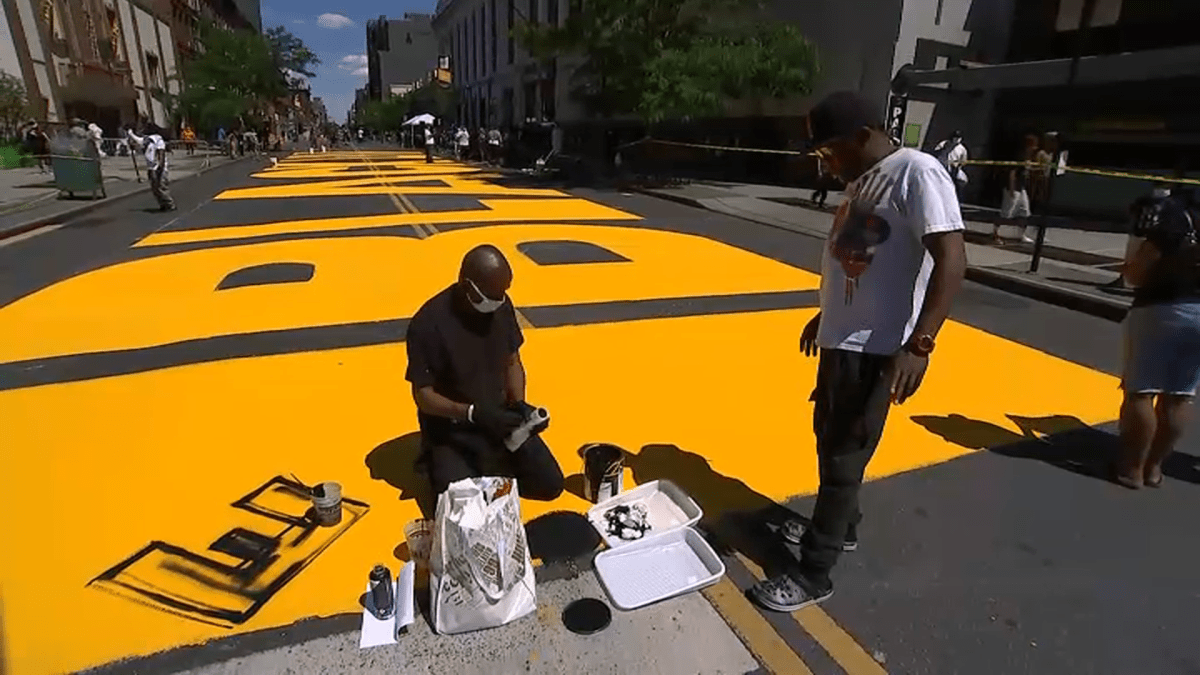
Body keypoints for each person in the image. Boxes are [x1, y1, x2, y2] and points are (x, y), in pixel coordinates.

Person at [749, 91, 966, 612]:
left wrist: (921, 344)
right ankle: (841, 525)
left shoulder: (916, 171)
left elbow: (952, 258)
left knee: (845, 453)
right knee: (832, 439)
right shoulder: (864, 182)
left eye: (830, 152)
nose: (827, 164)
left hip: (877, 349)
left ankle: (813, 572)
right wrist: (827, 314)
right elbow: (865, 264)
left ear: (863, 136)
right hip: (843, 341)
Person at [404, 245, 565, 500]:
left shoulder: (500, 305)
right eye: (493, 295)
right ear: (468, 287)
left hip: (498, 419)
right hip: (453, 429)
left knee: (550, 485)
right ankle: (438, 460)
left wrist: (519, 406)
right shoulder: (428, 324)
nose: (499, 301)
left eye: (503, 294)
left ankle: (493, 462)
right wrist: (472, 413)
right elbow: (423, 396)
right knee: (463, 505)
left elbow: (512, 362)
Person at [1115, 188, 1200, 489]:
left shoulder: (1175, 217)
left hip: (1163, 307)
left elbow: (1137, 274)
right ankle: (1154, 467)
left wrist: (1130, 268)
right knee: (1180, 396)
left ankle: (1132, 468)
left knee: (1141, 390)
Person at [993, 135, 1038, 244]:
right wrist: (1012, 188)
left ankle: (1021, 235)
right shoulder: (1020, 156)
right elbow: (1012, 172)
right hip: (1013, 187)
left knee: (1025, 211)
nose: (1035, 147)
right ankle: (996, 234)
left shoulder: (1029, 157)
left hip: (1021, 188)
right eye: (1033, 144)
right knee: (1007, 212)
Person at [126, 123, 175, 212]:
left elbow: (161, 153)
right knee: (155, 188)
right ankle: (162, 204)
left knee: (161, 187)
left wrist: (161, 165)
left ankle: (170, 204)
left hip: (158, 167)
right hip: (151, 168)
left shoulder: (158, 139)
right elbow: (137, 141)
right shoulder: (146, 140)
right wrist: (130, 134)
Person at [932, 130, 969, 197]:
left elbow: (963, 161)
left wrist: (957, 165)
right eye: (955, 137)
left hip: (953, 169)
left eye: (958, 138)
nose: (957, 140)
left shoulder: (962, 149)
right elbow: (936, 152)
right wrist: (943, 149)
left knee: (957, 183)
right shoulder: (944, 143)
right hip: (941, 167)